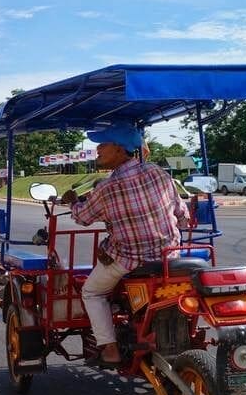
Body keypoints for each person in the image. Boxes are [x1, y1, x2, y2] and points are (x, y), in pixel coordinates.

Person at [61, 123, 189, 367]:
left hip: (130, 259)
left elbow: (83, 217)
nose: (98, 149)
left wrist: (73, 202)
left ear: (120, 149)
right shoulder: (158, 173)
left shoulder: (107, 188)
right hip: (169, 256)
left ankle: (110, 350)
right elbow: (181, 213)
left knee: (91, 292)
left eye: (103, 144)